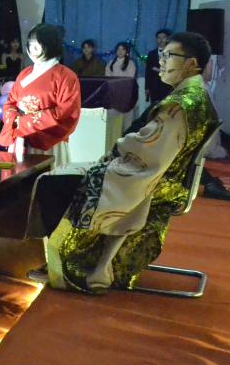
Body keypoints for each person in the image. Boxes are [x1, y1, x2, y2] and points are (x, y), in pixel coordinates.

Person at [40, 32, 218, 293]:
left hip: (158, 178)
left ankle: (72, 263)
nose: (162, 61)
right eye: (162, 54)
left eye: (169, 55)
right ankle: (96, 263)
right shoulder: (196, 94)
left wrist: (117, 149)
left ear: (191, 64)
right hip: (166, 173)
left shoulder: (181, 104)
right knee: (80, 172)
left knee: (67, 180)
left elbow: (147, 148)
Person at [0, 24, 81, 166]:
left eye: (38, 44)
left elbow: (66, 113)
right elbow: (10, 102)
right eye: (31, 44)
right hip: (20, 140)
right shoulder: (24, 73)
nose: (33, 48)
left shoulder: (66, 76)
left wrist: (23, 122)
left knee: (48, 177)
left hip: (48, 142)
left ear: (51, 45)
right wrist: (14, 120)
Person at [145, 28, 174, 103]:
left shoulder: (173, 53)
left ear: (168, 39)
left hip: (168, 87)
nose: (161, 40)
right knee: (155, 107)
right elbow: (148, 71)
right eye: (159, 38)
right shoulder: (151, 54)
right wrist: (147, 87)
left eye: (164, 37)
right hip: (154, 87)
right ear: (156, 39)